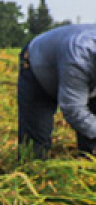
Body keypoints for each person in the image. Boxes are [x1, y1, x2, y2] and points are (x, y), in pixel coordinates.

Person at [17, 24, 96, 159]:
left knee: (91, 142)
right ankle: (33, 172)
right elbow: (73, 108)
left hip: (81, 73)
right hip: (39, 69)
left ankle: (87, 162)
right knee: (35, 145)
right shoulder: (80, 53)